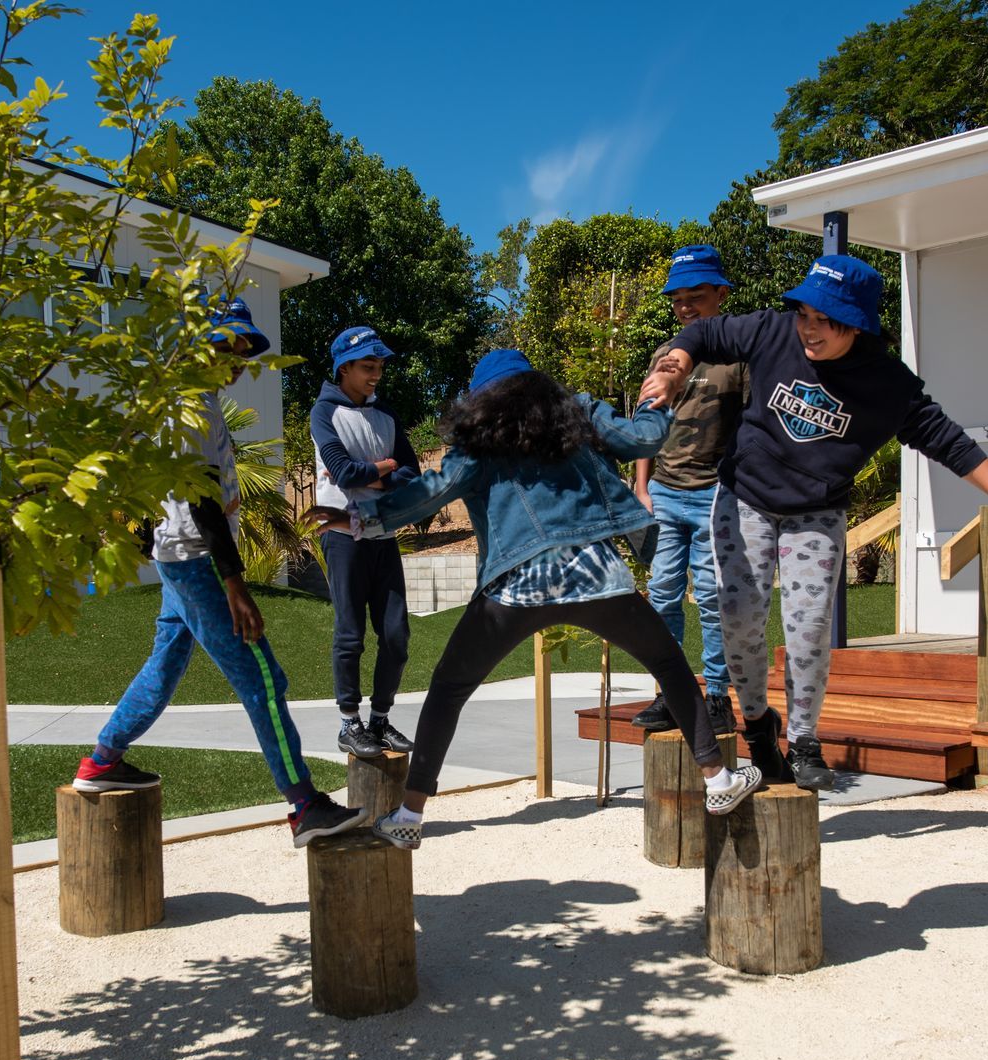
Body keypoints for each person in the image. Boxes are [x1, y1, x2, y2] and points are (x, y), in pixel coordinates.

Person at [309, 349, 763, 851]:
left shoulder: (475, 444)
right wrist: (658, 396)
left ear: (480, 401)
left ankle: (410, 814)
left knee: (448, 689)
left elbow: (428, 493)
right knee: (667, 662)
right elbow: (644, 438)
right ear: (538, 385)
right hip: (596, 576)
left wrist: (356, 520)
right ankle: (718, 781)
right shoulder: (577, 415)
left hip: (516, 586)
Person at [644, 254, 988, 791]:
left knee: (808, 626)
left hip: (815, 512)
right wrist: (676, 364)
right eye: (805, 315)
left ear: (858, 323)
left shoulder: (887, 383)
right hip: (745, 497)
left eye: (825, 321)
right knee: (739, 616)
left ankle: (803, 738)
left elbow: (946, 439)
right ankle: (757, 725)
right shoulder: (773, 333)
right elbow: (705, 331)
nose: (809, 330)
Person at [72, 298, 365, 849]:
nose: (237, 359)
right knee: (263, 682)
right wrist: (234, 586)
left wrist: (148, 536)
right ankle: (304, 806)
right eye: (228, 345)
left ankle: (100, 762)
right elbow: (203, 500)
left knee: (163, 668)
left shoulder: (178, 401)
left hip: (177, 555)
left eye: (244, 349)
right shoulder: (192, 407)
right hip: (197, 560)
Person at [631, 244, 746, 738]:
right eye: (676, 299)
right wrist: (641, 485)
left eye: (695, 296)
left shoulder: (742, 354)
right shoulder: (665, 355)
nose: (684, 307)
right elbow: (645, 422)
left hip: (716, 495)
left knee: (715, 598)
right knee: (661, 597)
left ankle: (717, 697)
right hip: (665, 494)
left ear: (721, 293)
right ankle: (671, 694)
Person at [310, 325, 417, 759]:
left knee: (396, 636)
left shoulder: (387, 415)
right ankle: (349, 724)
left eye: (380, 366)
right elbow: (341, 469)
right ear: (344, 368)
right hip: (342, 538)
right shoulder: (323, 412)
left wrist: (376, 469)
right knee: (350, 634)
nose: (377, 374)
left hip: (383, 535)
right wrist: (387, 470)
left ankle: (380, 720)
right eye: (368, 366)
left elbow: (413, 476)